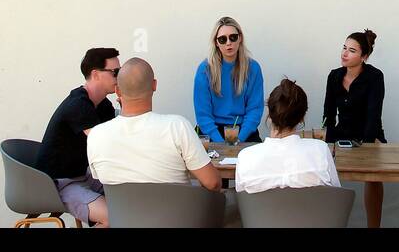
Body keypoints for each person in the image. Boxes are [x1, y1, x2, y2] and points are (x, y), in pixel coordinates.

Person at [86, 58, 221, 193]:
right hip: (177, 213)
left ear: (117, 91)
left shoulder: (96, 135)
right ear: (154, 85)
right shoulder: (177, 127)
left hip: (124, 214)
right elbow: (213, 183)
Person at [36, 47, 120, 228]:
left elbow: (117, 141)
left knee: (134, 204)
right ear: (96, 74)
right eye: (116, 72)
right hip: (59, 184)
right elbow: (105, 146)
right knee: (114, 218)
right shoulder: (78, 105)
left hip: (84, 176)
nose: (120, 78)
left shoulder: (104, 105)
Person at [322, 30, 386, 226]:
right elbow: (329, 115)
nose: (345, 53)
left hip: (368, 133)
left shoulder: (375, 77)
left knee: (373, 176)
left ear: (364, 56)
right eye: (344, 48)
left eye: (351, 50)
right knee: (324, 169)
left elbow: (374, 115)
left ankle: (373, 224)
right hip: (342, 133)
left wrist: (366, 148)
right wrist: (326, 143)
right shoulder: (334, 76)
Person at [236, 79, 341, 194]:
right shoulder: (320, 150)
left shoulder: (246, 157)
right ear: (302, 118)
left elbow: (242, 199)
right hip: (311, 211)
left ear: (269, 113)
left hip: (261, 212)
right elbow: (336, 193)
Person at [193, 16, 264, 143]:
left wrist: (239, 139)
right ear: (216, 42)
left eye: (233, 37)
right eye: (222, 39)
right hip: (212, 131)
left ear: (240, 38)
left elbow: (255, 109)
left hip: (244, 131)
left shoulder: (253, 68)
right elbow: (203, 115)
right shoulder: (204, 70)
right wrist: (221, 144)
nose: (228, 43)